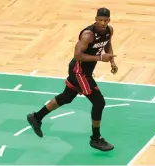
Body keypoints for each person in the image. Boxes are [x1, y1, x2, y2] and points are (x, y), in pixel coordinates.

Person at [27, 7, 118, 152]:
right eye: (99, 20)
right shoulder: (88, 34)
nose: (102, 23)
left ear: (109, 20)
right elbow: (77, 56)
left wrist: (112, 61)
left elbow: (107, 43)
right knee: (99, 102)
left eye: (105, 20)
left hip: (85, 71)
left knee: (66, 97)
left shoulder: (109, 30)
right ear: (95, 19)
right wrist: (100, 58)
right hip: (79, 71)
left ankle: (36, 117)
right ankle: (95, 139)